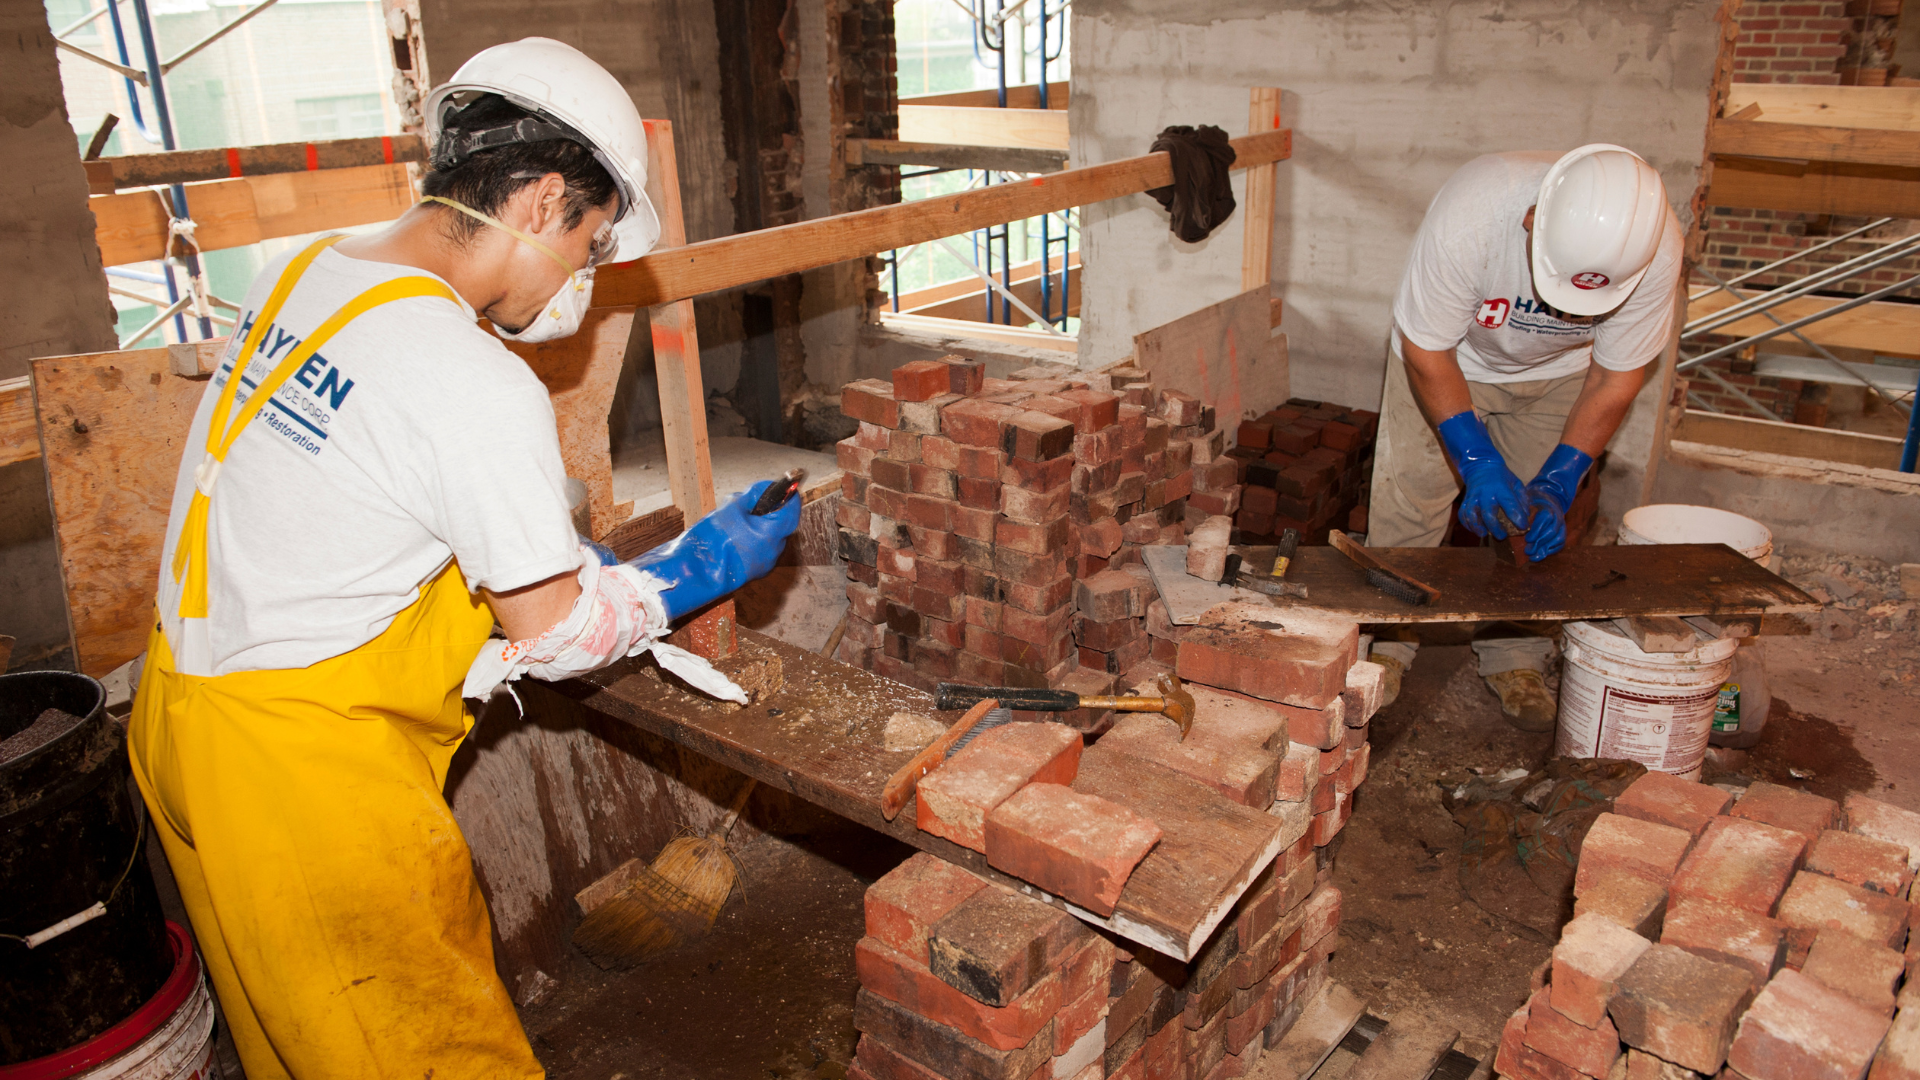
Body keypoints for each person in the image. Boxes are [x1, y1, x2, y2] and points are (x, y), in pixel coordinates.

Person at [126, 38, 798, 1079]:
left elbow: (351, 485)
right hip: (310, 788)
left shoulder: (308, 267)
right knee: (428, 1051)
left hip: (185, 721)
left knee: (296, 1046)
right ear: (538, 203)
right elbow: (562, 638)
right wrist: (690, 569)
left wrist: (521, 536)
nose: (584, 272)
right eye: (590, 238)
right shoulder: (471, 377)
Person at [1363, 145, 1682, 730]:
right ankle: (1389, 643)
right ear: (1533, 220)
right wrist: (1476, 457)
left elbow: (1615, 379)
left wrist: (1562, 479)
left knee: (1531, 527)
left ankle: (1516, 655)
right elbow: (1425, 350)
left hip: (1564, 376)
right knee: (1408, 508)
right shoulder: (1474, 215)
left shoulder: (1654, 250)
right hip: (1450, 363)